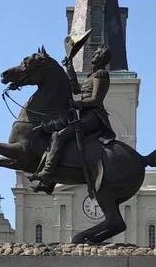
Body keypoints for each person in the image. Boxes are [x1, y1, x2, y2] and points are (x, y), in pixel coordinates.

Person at [30, 45, 115, 192]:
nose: (93, 56)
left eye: (97, 54)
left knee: (61, 135)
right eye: (94, 53)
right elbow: (76, 89)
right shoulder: (91, 76)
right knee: (54, 133)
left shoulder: (101, 74)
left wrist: (77, 104)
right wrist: (69, 68)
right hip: (84, 115)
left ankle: (48, 174)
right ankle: (51, 178)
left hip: (94, 117)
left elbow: (96, 100)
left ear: (102, 58)